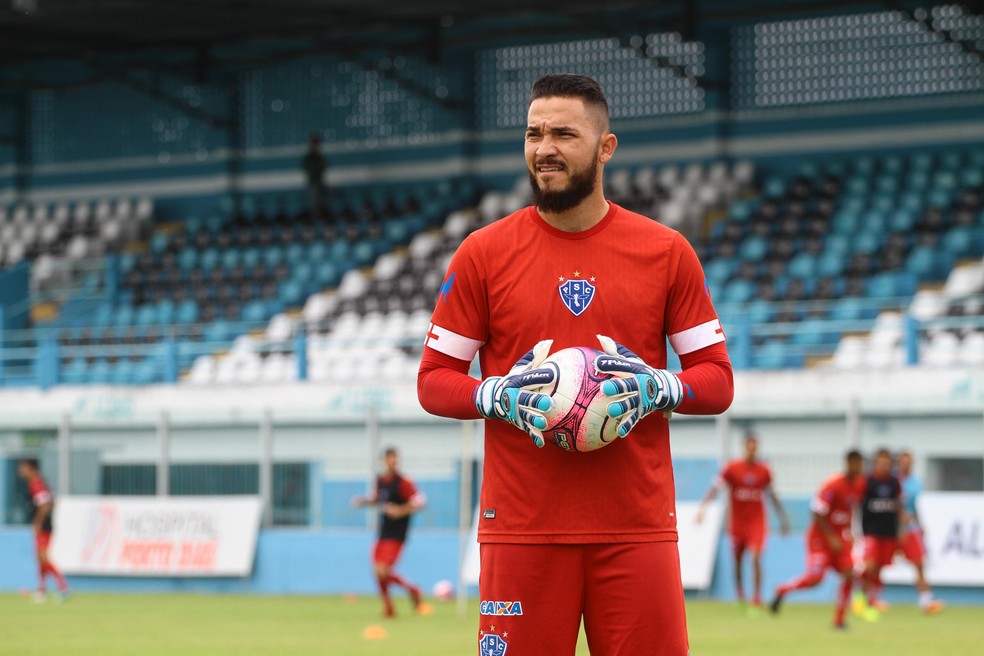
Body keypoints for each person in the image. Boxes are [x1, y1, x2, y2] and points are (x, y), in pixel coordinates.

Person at [417, 73, 733, 656]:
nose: (545, 149)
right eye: (534, 133)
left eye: (564, 133)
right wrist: (494, 395)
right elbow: (433, 382)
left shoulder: (666, 252)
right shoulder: (482, 253)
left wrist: (659, 387)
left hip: (636, 528)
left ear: (605, 147)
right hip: (521, 529)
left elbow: (716, 381)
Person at [770, 449, 865, 629]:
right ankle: (782, 590)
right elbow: (816, 511)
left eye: (860, 464)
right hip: (820, 539)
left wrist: (850, 532)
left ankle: (839, 619)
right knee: (815, 578)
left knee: (850, 573)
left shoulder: (859, 485)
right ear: (848, 463)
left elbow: (851, 509)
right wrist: (830, 537)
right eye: (856, 463)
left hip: (841, 539)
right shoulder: (833, 485)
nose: (859, 467)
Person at [696, 432, 790, 611]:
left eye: (755, 447)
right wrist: (703, 508)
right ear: (744, 448)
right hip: (738, 524)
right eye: (749, 447)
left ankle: (756, 597)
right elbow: (715, 488)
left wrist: (783, 518)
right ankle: (740, 594)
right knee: (738, 561)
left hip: (757, 523)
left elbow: (772, 495)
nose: (752, 451)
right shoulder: (732, 468)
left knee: (755, 557)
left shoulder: (764, 471)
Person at [352, 447, 428, 618]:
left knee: (383, 570)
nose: (393, 462)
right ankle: (389, 608)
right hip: (383, 531)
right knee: (377, 572)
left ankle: (413, 590)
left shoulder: (404, 483)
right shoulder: (381, 481)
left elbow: (421, 502)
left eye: (396, 459)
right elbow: (377, 499)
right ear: (384, 461)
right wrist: (363, 502)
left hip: (397, 533)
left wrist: (400, 511)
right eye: (390, 459)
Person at [852, 447, 902, 620]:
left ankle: (871, 599)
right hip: (870, 531)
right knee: (870, 565)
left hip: (889, 531)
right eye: (881, 462)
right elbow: (855, 505)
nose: (884, 465)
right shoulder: (866, 481)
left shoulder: (894, 482)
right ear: (875, 463)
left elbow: (899, 505)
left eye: (887, 462)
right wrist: (853, 529)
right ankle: (859, 598)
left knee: (880, 567)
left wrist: (902, 528)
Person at [892, 449, 944, 613]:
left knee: (919, 563)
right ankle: (862, 598)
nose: (906, 464)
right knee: (874, 565)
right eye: (903, 460)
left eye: (909, 461)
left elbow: (913, 507)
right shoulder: (891, 480)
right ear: (899, 462)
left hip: (910, 529)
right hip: (889, 528)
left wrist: (919, 524)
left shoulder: (915, 482)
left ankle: (926, 601)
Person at [17, 458, 70, 603]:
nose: (21, 471)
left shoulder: (36, 484)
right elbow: (52, 501)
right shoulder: (41, 482)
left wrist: (38, 522)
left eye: (23, 468)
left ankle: (63, 587)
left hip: (44, 526)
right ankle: (42, 590)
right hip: (46, 524)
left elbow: (45, 505)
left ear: (31, 468)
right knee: (40, 558)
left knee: (43, 557)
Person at [301, 133, 327, 218]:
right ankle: (315, 217)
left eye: (316, 143)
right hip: (312, 183)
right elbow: (307, 167)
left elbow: (324, 167)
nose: (315, 145)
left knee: (321, 201)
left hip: (320, 182)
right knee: (314, 202)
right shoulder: (308, 157)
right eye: (313, 143)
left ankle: (321, 217)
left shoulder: (319, 156)